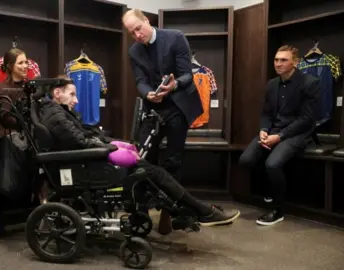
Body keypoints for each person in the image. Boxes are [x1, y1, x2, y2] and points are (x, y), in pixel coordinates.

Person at [39, 76, 240, 229]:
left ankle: (192, 210)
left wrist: (115, 143)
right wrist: (112, 148)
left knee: (151, 173)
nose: (76, 99)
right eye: (72, 94)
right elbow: (82, 141)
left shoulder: (59, 112)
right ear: (57, 93)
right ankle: (201, 211)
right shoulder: (56, 116)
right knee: (153, 173)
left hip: (87, 161)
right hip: (83, 166)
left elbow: (86, 135)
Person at [122, 8, 204, 234]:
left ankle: (169, 213)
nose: (137, 35)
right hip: (153, 106)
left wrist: (173, 85)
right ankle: (141, 212)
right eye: (132, 32)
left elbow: (187, 75)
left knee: (173, 161)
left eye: (138, 28)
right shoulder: (134, 51)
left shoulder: (175, 37)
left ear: (146, 21)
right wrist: (148, 93)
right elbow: (140, 81)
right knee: (142, 157)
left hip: (178, 105)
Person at [239, 45, 320, 226]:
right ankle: (269, 190)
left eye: (283, 60)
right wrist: (264, 130)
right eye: (276, 60)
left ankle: (278, 210)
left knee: (273, 164)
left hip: (297, 133)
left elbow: (307, 119)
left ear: (295, 62)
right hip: (274, 131)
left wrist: (280, 136)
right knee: (246, 160)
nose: (278, 63)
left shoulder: (309, 83)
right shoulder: (271, 84)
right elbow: (266, 113)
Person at [0, 48, 33, 207]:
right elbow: (5, 117)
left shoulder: (29, 87)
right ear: (11, 66)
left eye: (26, 62)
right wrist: (27, 124)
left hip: (21, 132)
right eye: (21, 63)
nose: (25, 66)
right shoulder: (3, 88)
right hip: (4, 135)